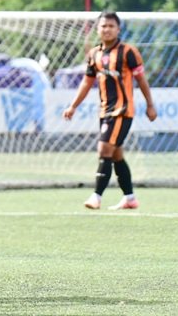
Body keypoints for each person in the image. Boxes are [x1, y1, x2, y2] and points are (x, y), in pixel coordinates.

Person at [62, 11, 157, 210]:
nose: (107, 29)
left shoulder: (128, 52)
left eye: (111, 26)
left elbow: (141, 79)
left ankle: (96, 196)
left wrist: (150, 104)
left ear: (118, 29)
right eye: (103, 26)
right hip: (105, 111)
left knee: (104, 149)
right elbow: (87, 82)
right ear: (97, 29)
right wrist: (73, 105)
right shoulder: (94, 54)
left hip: (122, 111)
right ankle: (130, 198)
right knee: (116, 155)